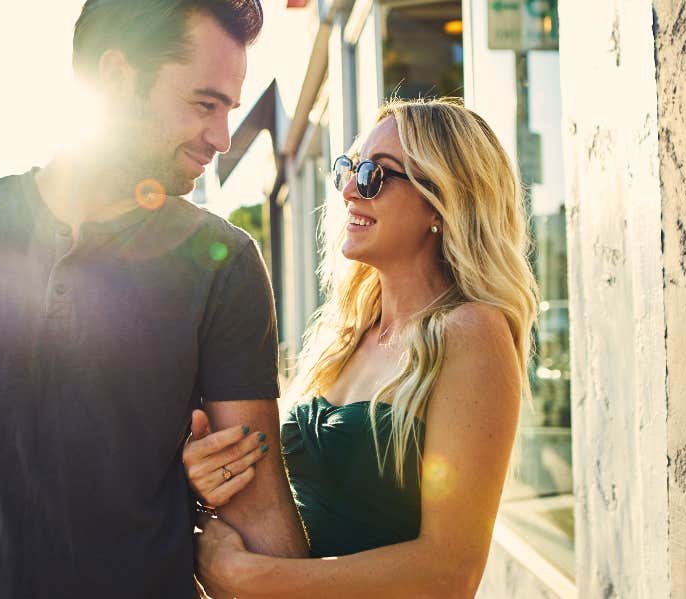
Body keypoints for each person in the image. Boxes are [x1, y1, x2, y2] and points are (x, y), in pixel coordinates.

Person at [0, 2, 307, 597]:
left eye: (229, 110)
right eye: (203, 104)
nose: (221, 137)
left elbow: (258, 499)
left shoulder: (225, 262)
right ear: (115, 78)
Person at [183, 98, 539, 597]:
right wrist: (213, 476)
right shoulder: (344, 336)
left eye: (375, 175)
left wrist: (249, 578)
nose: (349, 189)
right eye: (348, 168)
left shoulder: (470, 331)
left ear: (441, 202)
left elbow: (451, 572)